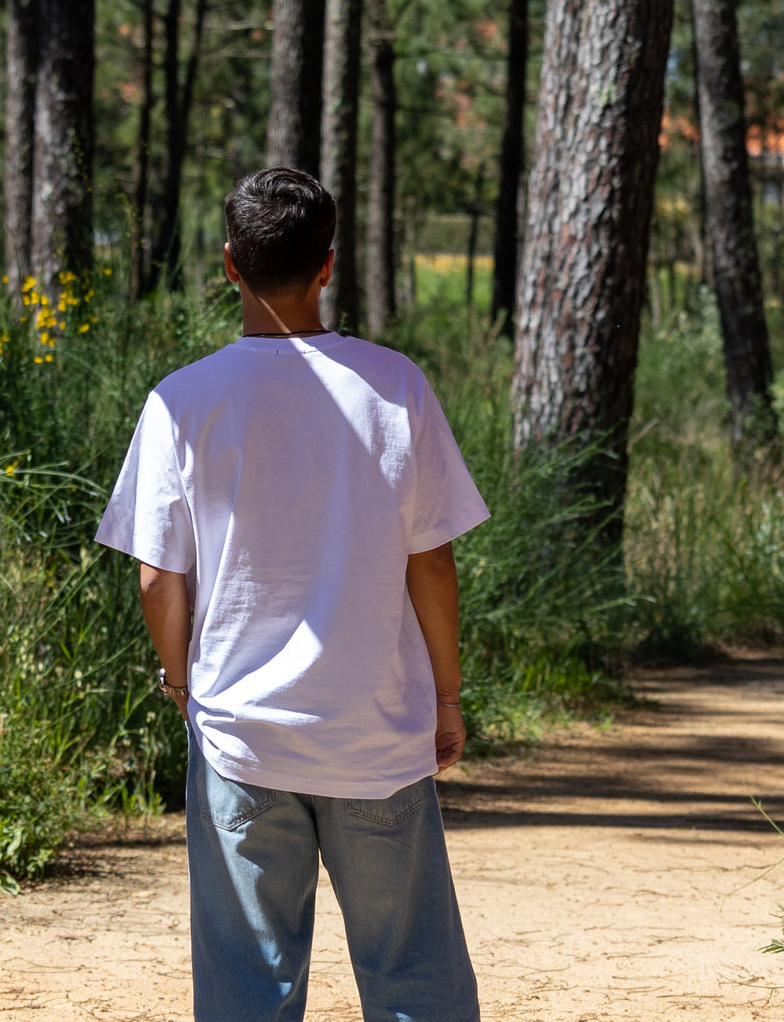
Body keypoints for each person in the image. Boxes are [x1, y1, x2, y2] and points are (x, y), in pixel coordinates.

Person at [95, 167, 489, 1022]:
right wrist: (446, 698)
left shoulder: (181, 402)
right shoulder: (396, 387)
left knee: (248, 986)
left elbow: (158, 577)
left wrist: (181, 683)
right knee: (413, 971)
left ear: (230, 265)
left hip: (242, 737)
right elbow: (432, 563)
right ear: (329, 265)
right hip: (377, 733)